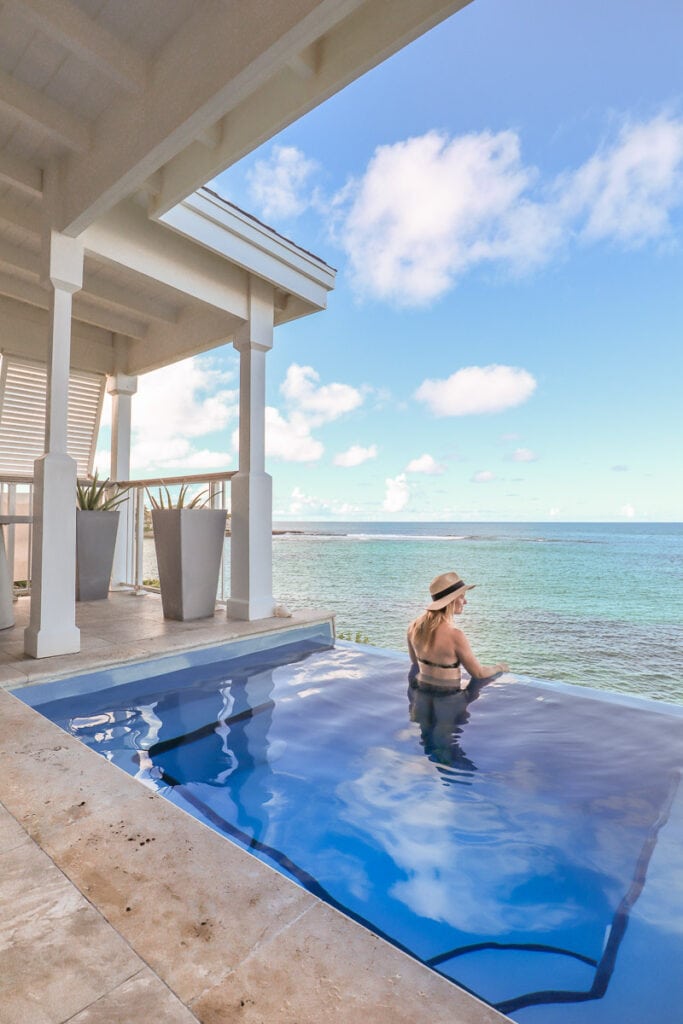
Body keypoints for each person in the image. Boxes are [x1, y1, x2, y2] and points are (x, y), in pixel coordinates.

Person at [407, 571, 509, 691]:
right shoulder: (455, 635)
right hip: (448, 699)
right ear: (450, 601)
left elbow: (415, 663)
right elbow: (479, 673)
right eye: (461, 597)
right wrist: (499, 667)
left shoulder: (413, 626)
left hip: (422, 694)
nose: (465, 602)